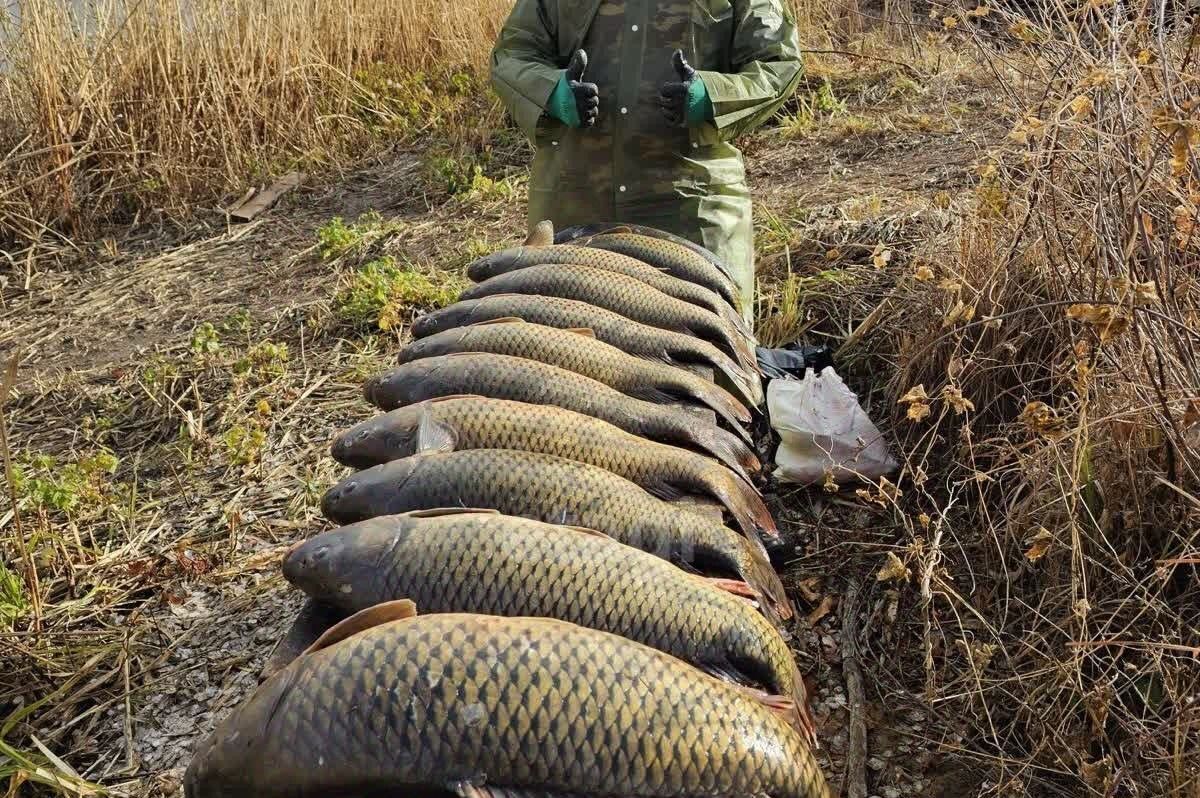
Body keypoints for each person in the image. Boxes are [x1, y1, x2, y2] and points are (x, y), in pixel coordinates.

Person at [491, 0, 804, 320]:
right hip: (576, 213)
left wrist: (713, 95)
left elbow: (778, 61)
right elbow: (514, 53)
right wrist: (553, 92)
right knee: (564, 358)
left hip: (691, 217)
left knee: (708, 358)